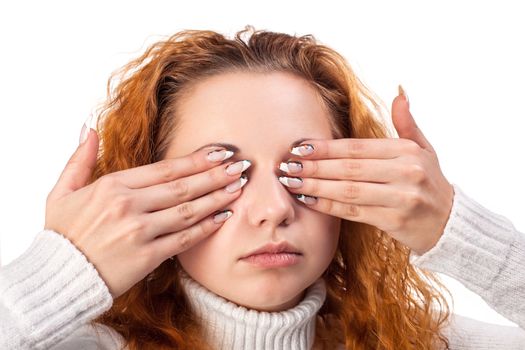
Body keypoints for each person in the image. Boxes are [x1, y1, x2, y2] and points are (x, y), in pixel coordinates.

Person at [1, 25, 524, 350]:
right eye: (225, 173)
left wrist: (459, 231)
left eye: (301, 170)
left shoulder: (426, 343)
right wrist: (60, 269)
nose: (272, 210)